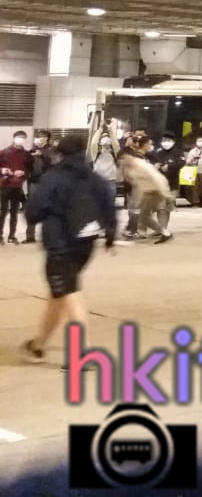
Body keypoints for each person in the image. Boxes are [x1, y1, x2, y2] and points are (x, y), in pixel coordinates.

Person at [22, 133, 116, 363]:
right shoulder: (96, 179)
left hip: (60, 245)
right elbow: (109, 209)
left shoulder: (54, 178)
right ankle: (38, 344)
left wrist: (42, 216)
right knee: (59, 294)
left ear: (60, 154)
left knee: (71, 294)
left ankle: (84, 351)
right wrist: (110, 236)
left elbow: (33, 211)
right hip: (85, 245)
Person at [120, 136, 173, 243]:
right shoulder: (131, 167)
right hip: (148, 192)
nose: (124, 161)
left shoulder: (141, 164)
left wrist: (166, 194)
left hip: (154, 191)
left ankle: (164, 232)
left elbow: (158, 177)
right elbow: (136, 184)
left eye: (125, 158)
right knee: (144, 216)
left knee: (144, 216)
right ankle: (163, 232)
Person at [0, 129, 29, 244]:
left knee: (14, 213)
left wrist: (24, 173)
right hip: (5, 186)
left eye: (23, 138)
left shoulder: (26, 154)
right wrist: (2, 170)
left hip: (17, 187)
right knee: (3, 212)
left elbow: (30, 169)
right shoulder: (4, 152)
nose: (20, 139)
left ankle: (12, 236)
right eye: (18, 137)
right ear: (14, 138)